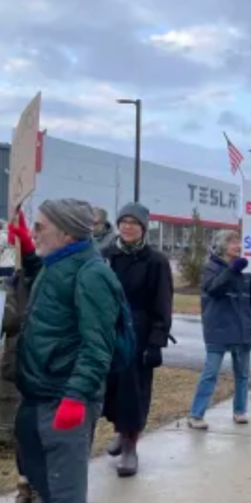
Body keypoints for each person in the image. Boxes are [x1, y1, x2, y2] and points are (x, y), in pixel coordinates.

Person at [16, 198, 119, 503]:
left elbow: (98, 346)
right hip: (36, 392)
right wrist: (29, 254)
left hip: (65, 396)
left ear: (67, 232)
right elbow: (52, 300)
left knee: (64, 486)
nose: (34, 232)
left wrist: (76, 396)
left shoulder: (92, 274)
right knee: (35, 469)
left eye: (40, 227)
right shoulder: (56, 263)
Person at [100, 203, 174, 477]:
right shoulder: (105, 256)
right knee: (111, 388)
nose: (128, 227)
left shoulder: (155, 261)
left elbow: (163, 304)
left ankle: (130, 445)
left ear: (143, 228)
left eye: (134, 223)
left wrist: (156, 342)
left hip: (139, 332)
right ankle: (120, 431)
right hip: (109, 331)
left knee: (133, 391)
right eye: (124, 222)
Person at [0, 210, 47, 503]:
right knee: (19, 434)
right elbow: (6, 322)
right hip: (13, 368)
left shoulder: (44, 278)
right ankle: (24, 488)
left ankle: (43, 492)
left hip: (40, 368)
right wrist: (4, 292)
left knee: (38, 433)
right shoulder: (7, 285)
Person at [188, 230, 251, 428]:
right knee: (210, 373)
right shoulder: (212, 267)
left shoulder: (246, 267)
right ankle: (196, 414)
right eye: (232, 242)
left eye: (239, 242)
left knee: (243, 374)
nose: (238, 246)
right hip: (219, 328)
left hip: (243, 328)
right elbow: (213, 289)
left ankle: (240, 411)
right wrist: (232, 270)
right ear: (222, 246)